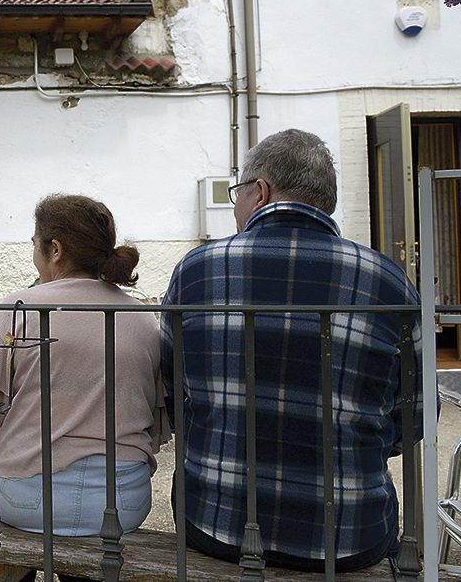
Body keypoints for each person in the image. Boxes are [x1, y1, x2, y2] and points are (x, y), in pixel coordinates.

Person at [160, 129, 423, 572]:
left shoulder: (196, 271)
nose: (235, 207)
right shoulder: (388, 281)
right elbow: (413, 416)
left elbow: (172, 389)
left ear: (259, 192)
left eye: (236, 195)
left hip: (217, 526)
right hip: (349, 535)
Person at [0, 194, 169, 582]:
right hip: (123, 500)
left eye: (35, 245)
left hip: (27, 497)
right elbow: (156, 424)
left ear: (54, 249)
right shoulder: (141, 318)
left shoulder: (17, 309)